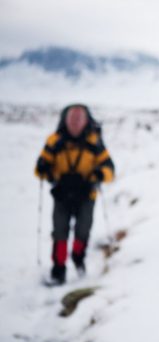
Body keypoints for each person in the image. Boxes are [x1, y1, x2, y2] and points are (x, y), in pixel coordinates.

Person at [34, 104, 115, 285]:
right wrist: (43, 169)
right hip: (62, 195)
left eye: (80, 118)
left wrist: (99, 175)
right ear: (65, 119)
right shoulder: (54, 141)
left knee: (82, 231)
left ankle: (78, 258)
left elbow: (110, 169)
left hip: (86, 195)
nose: (76, 122)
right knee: (60, 233)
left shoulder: (95, 142)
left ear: (87, 121)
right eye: (72, 118)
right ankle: (59, 269)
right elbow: (39, 169)